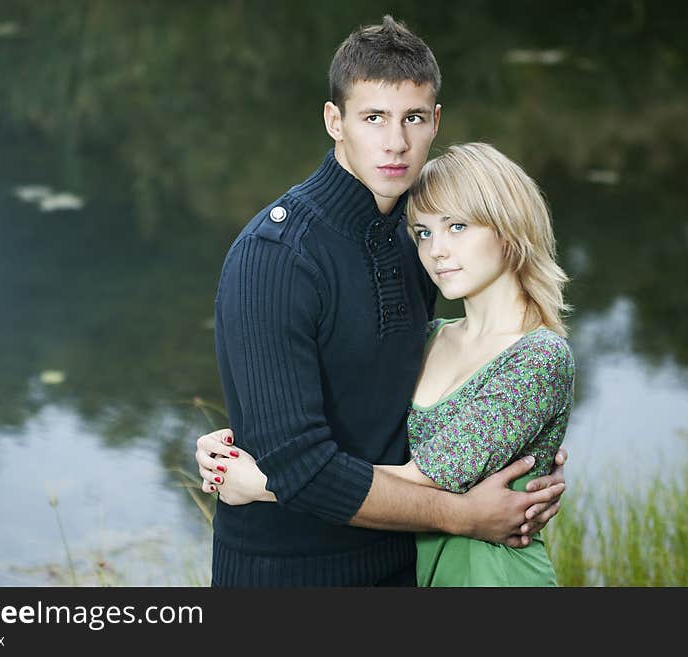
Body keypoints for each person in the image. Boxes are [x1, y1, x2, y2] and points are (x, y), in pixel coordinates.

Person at [195, 15, 568, 587]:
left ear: (435, 122)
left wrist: (527, 465)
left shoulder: (418, 243)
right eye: (373, 118)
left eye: (412, 118)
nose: (395, 142)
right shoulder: (274, 256)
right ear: (334, 121)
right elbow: (298, 461)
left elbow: (415, 411)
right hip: (290, 576)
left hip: (404, 567)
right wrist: (466, 516)